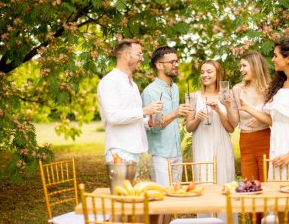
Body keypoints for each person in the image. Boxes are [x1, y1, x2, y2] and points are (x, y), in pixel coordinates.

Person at [240, 37, 289, 181]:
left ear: (287, 59)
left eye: (276, 56)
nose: (273, 60)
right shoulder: (282, 83)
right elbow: (273, 120)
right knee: (278, 192)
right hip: (277, 144)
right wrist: (246, 107)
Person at [97, 39, 163, 164]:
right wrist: (144, 110)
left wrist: (148, 122)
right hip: (120, 152)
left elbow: (131, 117)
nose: (142, 59)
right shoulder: (109, 82)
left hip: (137, 151)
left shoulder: (132, 84)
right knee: (123, 185)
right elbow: (113, 117)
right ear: (126, 55)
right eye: (139, 54)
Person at [141, 46, 192, 186]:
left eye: (177, 61)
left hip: (177, 152)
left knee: (176, 196)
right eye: (172, 62)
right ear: (159, 65)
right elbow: (154, 126)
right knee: (162, 198)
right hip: (161, 155)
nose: (176, 65)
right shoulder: (150, 92)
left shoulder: (174, 88)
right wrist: (175, 113)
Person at [185, 60, 236, 184]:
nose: (205, 75)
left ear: (217, 74)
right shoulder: (192, 97)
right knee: (204, 179)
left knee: (224, 181)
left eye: (209, 71)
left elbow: (231, 129)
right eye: (202, 72)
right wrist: (198, 118)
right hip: (202, 144)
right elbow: (188, 128)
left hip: (221, 144)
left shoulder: (226, 95)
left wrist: (219, 110)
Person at [226, 52, 271, 182]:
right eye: (241, 66)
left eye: (244, 66)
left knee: (267, 183)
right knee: (249, 184)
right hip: (245, 141)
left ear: (255, 66)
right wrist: (228, 106)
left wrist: (258, 116)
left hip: (264, 139)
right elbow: (234, 123)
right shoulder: (237, 89)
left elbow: (273, 119)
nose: (241, 70)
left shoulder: (270, 88)